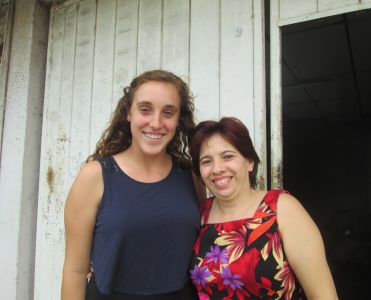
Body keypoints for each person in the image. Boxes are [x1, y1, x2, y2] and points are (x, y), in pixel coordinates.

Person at [61, 70, 204, 300]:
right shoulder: (95, 176)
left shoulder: (191, 176)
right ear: (129, 113)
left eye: (168, 112)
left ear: (178, 120)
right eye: (145, 109)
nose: (156, 123)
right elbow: (75, 271)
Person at [189, 117, 338, 300]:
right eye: (206, 161)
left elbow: (323, 296)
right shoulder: (197, 215)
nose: (217, 169)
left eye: (228, 156)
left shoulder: (281, 208)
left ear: (249, 161)